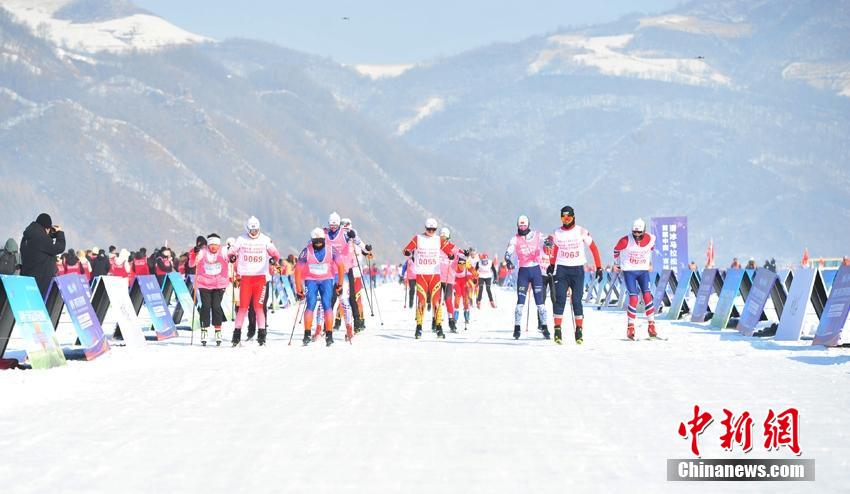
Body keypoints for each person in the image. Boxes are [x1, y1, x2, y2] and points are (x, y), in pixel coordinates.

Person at [548, 205, 602, 345]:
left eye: (569, 217)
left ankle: (579, 331)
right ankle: (557, 330)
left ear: (573, 217)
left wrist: (599, 268)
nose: (566, 220)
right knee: (559, 300)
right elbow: (554, 250)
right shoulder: (556, 233)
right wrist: (552, 264)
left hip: (577, 270)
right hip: (562, 270)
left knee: (576, 301)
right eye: (563, 217)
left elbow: (594, 249)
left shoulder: (581, 231)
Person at [228, 216, 279, 346]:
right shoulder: (241, 239)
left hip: (260, 278)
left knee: (258, 307)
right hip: (246, 277)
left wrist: (274, 259)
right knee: (243, 307)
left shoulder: (265, 239)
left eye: (256, 230)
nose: (254, 233)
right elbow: (231, 251)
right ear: (247, 229)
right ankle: (236, 334)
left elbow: (275, 253)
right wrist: (232, 256)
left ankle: (262, 335)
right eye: (251, 230)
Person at [402, 218, 456, 339]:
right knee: (421, 302)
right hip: (421, 275)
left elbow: (449, 250)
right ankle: (419, 327)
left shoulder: (438, 240)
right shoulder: (418, 238)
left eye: (433, 229)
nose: (430, 231)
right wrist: (407, 252)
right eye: (428, 229)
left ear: (436, 230)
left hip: (435, 276)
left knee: (436, 302)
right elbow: (406, 249)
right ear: (425, 228)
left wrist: (451, 255)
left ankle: (438, 327)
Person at [295, 228, 347, 346]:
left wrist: (340, 284)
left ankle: (329, 334)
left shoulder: (331, 250)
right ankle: (307, 334)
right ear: (311, 240)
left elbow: (341, 266)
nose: (318, 242)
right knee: (311, 304)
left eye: (320, 240)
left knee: (326, 305)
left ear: (324, 239)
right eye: (315, 240)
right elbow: (297, 271)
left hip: (326, 280)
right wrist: (299, 289)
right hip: (311, 280)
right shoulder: (306, 251)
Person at [504, 215, 549, 340]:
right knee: (520, 303)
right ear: (517, 226)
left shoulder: (536, 235)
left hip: (536, 271)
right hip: (523, 272)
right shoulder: (515, 238)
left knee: (540, 303)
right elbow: (509, 250)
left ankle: (544, 327)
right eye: (520, 225)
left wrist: (548, 242)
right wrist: (507, 259)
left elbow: (547, 240)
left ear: (528, 225)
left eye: (524, 225)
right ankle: (517, 328)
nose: (522, 228)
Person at [613, 218, 658, 340]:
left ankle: (651, 325)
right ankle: (630, 327)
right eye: (634, 232)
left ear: (644, 231)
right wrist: (616, 263)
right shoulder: (625, 240)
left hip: (643, 271)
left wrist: (649, 263)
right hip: (629, 271)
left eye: (639, 233)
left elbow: (652, 249)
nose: (637, 235)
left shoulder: (651, 239)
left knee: (648, 296)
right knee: (633, 298)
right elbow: (616, 250)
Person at [190, 233, 228, 346]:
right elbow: (191, 264)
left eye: (216, 245)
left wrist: (233, 256)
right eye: (211, 244)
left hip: (219, 284)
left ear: (219, 245)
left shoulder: (223, 251)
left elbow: (231, 257)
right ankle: (204, 330)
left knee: (216, 306)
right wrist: (194, 253)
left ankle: (218, 330)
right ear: (208, 244)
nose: (214, 247)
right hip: (204, 283)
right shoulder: (202, 252)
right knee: (205, 306)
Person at [20, 213, 66, 296]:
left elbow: (42, 242)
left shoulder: (28, 236)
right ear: (47, 227)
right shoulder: (41, 238)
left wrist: (53, 234)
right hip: (40, 282)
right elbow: (59, 248)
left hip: (28, 278)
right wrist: (60, 233)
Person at [438, 227, 458, 332]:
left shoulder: (453, 247)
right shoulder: (436, 246)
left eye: (445, 237)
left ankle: (451, 321)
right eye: (441, 237)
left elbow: (460, 254)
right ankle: (435, 320)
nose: (443, 239)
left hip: (448, 277)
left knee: (448, 300)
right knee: (436, 300)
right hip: (437, 276)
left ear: (448, 237)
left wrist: (466, 254)